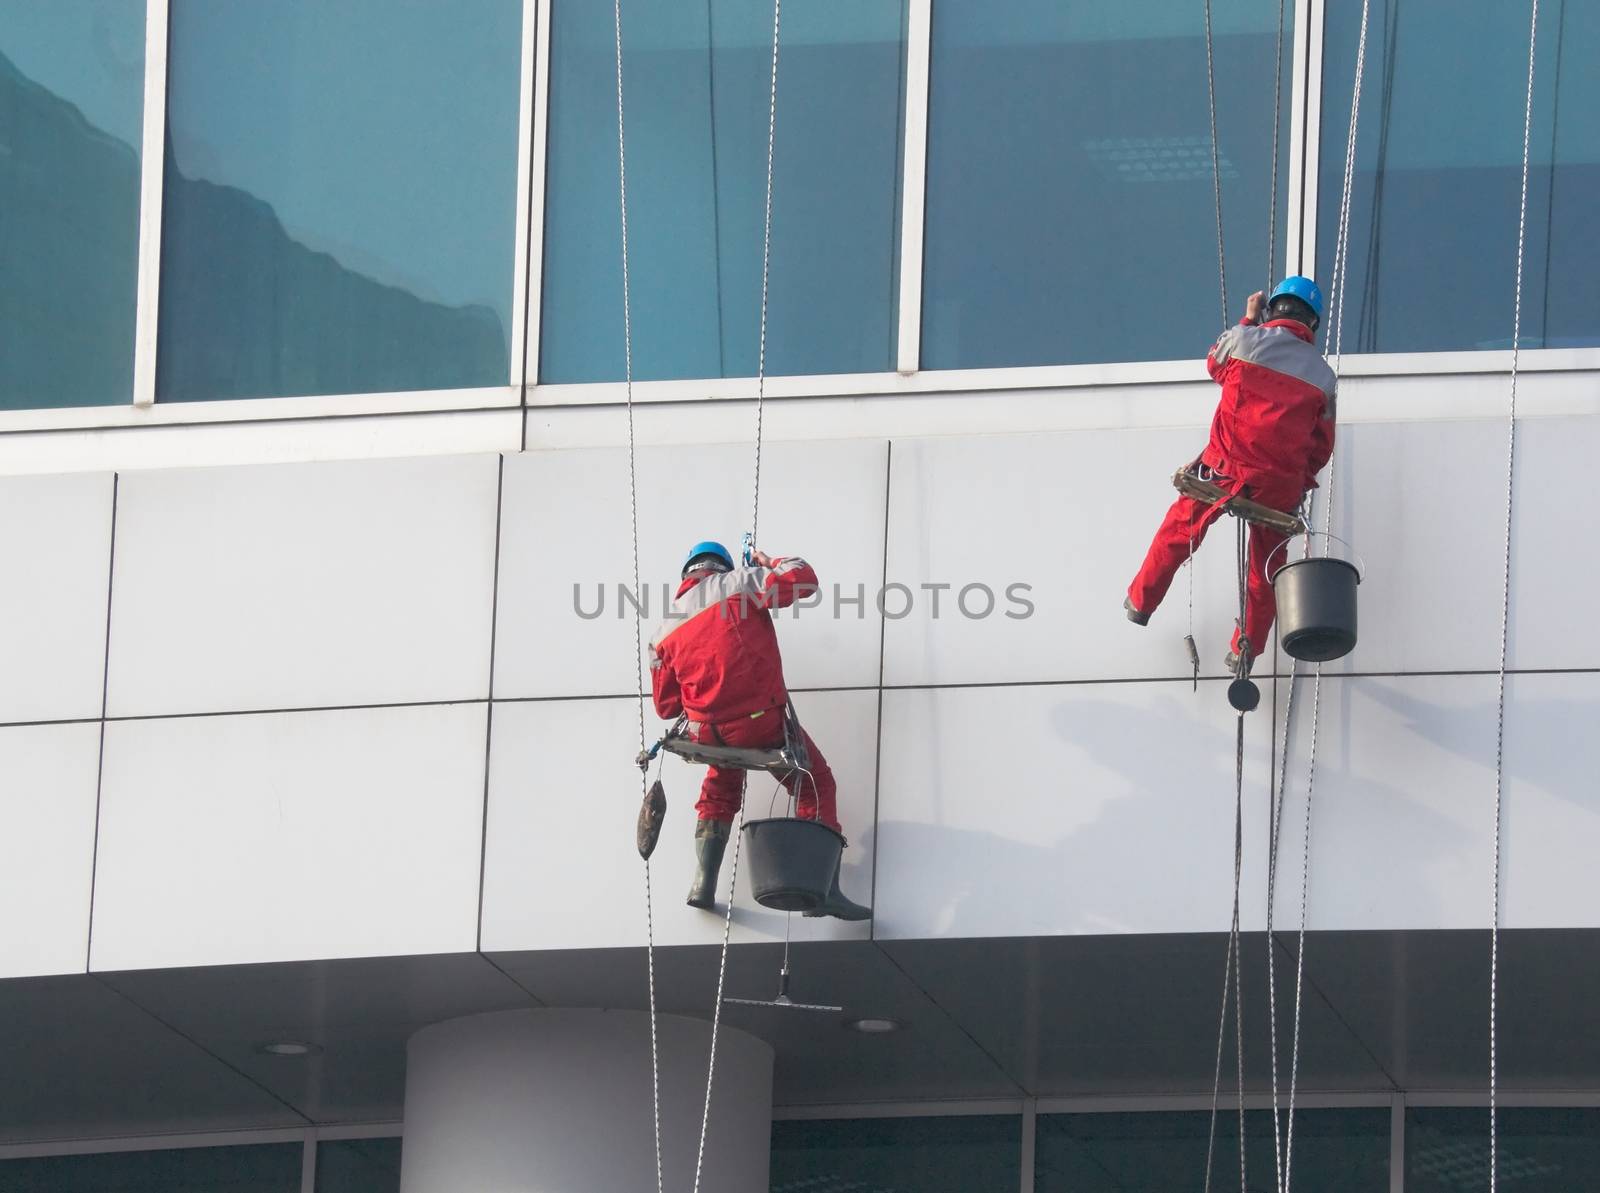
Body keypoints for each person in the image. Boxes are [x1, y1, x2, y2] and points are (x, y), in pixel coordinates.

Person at [1125, 276, 1337, 673]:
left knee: (1179, 530)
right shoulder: (1324, 379)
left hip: (1226, 469)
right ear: (1313, 324)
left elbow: (1214, 365)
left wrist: (1249, 319)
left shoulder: (1243, 340)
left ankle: (1140, 601)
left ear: (1274, 309)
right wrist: (1298, 483)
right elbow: (1321, 448)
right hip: (1278, 484)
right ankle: (1247, 649)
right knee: (1267, 568)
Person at [649, 540, 870, 920]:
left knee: (721, 781)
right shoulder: (740, 583)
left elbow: (666, 707)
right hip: (759, 724)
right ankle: (824, 890)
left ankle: (702, 883)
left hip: (709, 734)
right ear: (721, 566)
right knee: (815, 783)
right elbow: (804, 579)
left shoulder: (662, 631)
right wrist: (767, 561)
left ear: (687, 574)